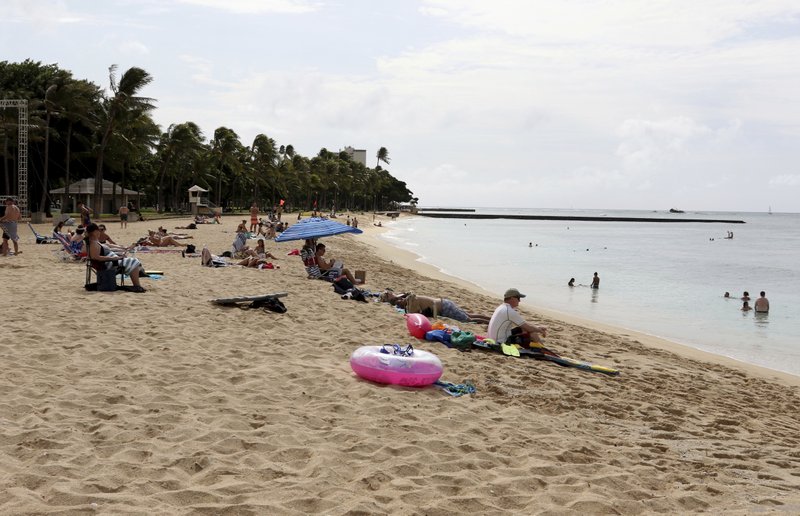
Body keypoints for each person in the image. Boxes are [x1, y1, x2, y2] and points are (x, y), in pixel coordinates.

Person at [86, 223, 146, 293]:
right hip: (108, 264)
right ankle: (137, 285)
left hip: (110, 262)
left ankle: (138, 280)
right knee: (134, 261)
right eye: (99, 230)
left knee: (131, 260)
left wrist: (123, 248)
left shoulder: (95, 241)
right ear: (95, 232)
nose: (100, 232)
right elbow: (96, 257)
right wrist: (115, 258)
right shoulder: (93, 244)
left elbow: (108, 245)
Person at [382, 291, 491, 323]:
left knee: (468, 320)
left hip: (444, 308)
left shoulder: (411, 300)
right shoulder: (409, 300)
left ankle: (490, 322)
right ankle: (491, 319)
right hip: (444, 303)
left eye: (400, 301)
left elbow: (414, 314)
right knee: (469, 315)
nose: (400, 301)